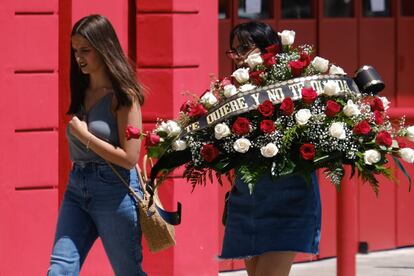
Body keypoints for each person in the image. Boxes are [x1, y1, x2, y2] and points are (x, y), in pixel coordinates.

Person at [220, 22, 322, 276]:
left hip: (289, 199)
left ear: (269, 49)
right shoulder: (231, 93)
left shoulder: (294, 85)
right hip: (248, 198)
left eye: (245, 48)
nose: (239, 57)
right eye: (234, 51)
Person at [48, 14, 146, 276]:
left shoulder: (124, 96)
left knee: (128, 272)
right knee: (59, 270)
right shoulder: (81, 89)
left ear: (104, 49)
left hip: (114, 193)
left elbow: (130, 157)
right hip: (77, 188)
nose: (79, 57)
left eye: (85, 50)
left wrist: (86, 137)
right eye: (75, 51)